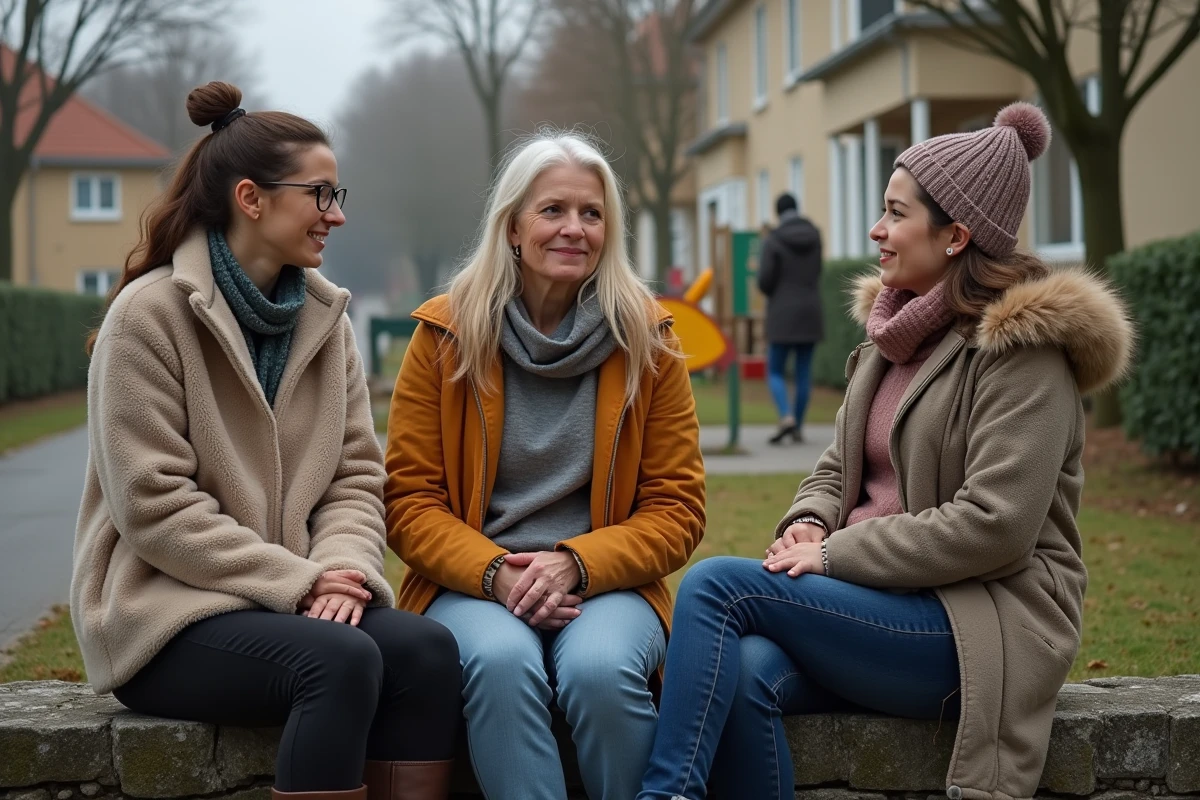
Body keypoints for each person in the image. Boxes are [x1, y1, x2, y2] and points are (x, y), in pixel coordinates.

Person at [638, 103, 1133, 800]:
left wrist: (834, 554)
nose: (877, 230)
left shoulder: (1023, 355)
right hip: (879, 604)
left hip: (978, 626)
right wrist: (809, 520)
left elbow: (996, 525)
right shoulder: (891, 335)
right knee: (746, 670)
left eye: (896, 214)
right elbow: (838, 467)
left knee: (717, 585)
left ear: (956, 234)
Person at [71, 82, 462, 800]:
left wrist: (338, 569)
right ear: (251, 199)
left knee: (429, 652)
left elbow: (353, 479)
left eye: (337, 194)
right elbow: (152, 505)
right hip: (163, 613)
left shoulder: (326, 319)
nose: (336, 215)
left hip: (295, 602)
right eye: (320, 195)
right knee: (339, 663)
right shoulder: (148, 318)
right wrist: (297, 582)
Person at [384, 131, 706, 800]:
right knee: (500, 664)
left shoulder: (648, 340)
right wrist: (497, 574)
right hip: (475, 581)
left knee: (601, 671)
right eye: (553, 210)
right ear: (512, 228)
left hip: (608, 580)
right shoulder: (444, 336)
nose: (574, 229)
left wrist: (577, 563)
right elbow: (409, 504)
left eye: (591, 214)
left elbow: (678, 510)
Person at [756, 192, 824, 444]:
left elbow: (765, 281)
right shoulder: (815, 235)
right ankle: (797, 425)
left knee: (774, 369)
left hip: (782, 314)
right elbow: (817, 271)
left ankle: (786, 416)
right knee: (803, 372)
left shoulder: (773, 239)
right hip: (810, 310)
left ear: (778, 212)